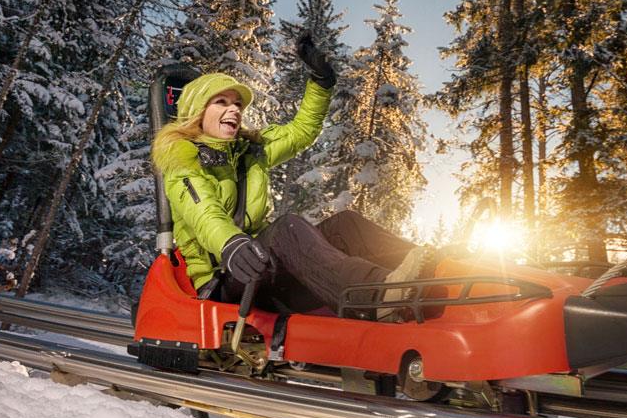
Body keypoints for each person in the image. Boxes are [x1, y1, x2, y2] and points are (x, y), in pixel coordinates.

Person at [150, 33, 426, 314]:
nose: (234, 109)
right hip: (227, 277)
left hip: (262, 268)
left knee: (346, 225)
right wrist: (231, 244)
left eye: (237, 104)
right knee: (286, 229)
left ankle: (432, 276)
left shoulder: (250, 152)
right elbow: (205, 214)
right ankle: (377, 297)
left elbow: (301, 131)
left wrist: (321, 83)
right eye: (221, 102)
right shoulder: (183, 161)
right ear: (197, 112)